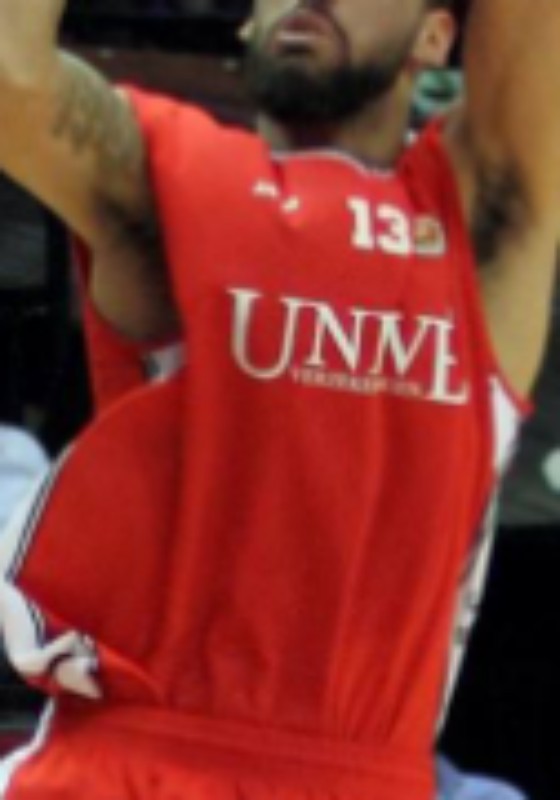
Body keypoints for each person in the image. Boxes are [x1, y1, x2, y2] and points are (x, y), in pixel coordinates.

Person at [0, 0, 555, 797]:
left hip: (362, 772)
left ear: (438, 35)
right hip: (132, 762)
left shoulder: (482, 223)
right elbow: (12, 77)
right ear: (247, 25)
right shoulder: (160, 170)